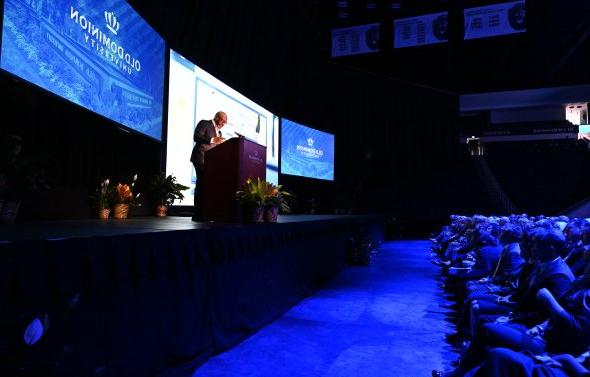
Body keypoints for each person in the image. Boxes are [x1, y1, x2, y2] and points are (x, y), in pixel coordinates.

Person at [189, 111, 227, 221]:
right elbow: (196, 137)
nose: (224, 123)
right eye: (223, 120)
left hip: (211, 162)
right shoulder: (205, 123)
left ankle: (206, 213)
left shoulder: (219, 133)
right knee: (201, 184)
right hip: (200, 158)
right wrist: (212, 140)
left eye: (225, 122)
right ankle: (197, 214)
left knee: (208, 186)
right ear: (216, 117)